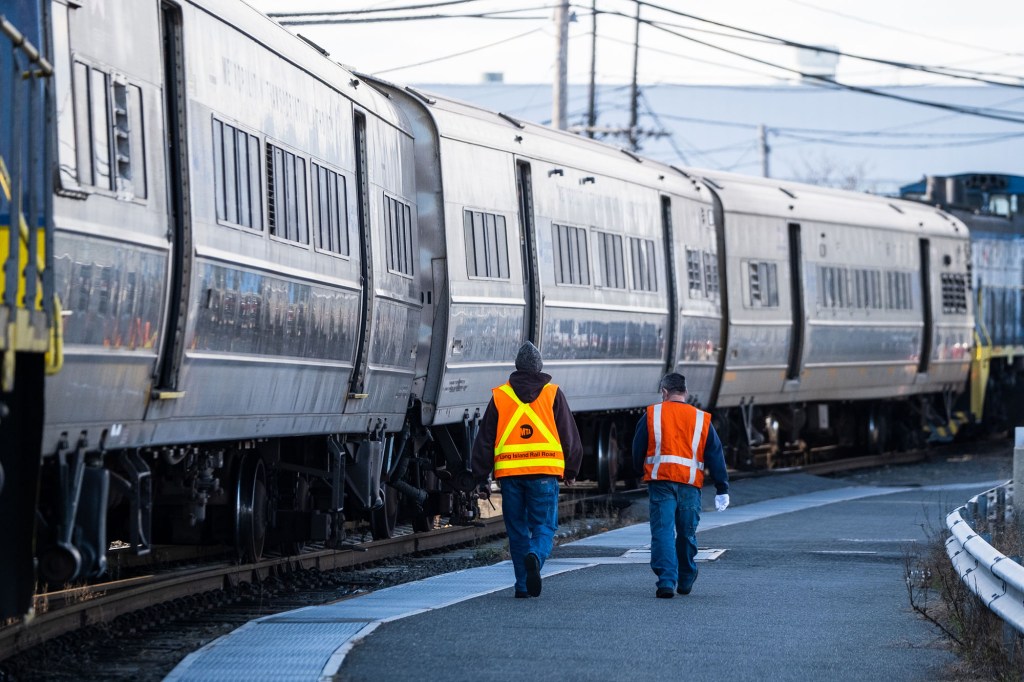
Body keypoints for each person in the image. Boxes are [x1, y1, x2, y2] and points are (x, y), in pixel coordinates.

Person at [471, 341, 583, 598]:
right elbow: (569, 435)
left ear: (517, 368)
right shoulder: (553, 393)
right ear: (539, 367)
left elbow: (485, 439)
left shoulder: (501, 396)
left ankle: (522, 585)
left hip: (510, 477)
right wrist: (572, 469)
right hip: (544, 473)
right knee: (544, 526)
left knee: (517, 529)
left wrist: (480, 477)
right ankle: (536, 555)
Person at [632, 372, 729, 599]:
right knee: (686, 532)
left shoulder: (652, 414)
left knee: (663, 531)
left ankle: (666, 581)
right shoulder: (701, 419)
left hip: (661, 482)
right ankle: (686, 576)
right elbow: (715, 454)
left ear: (664, 392)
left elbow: (638, 449)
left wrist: (638, 471)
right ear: (685, 392)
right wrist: (722, 488)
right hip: (689, 485)